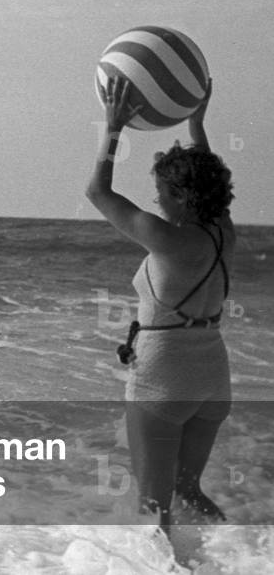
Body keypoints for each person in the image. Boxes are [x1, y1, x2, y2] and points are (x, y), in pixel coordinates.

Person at [86, 77, 234, 534]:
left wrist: (113, 128)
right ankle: (240, 559)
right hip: (212, 376)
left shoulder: (166, 238)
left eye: (163, 193)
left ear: (182, 197)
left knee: (154, 506)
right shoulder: (224, 230)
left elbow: (98, 193)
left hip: (163, 377)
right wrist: (196, 123)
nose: (156, 199)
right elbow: (206, 174)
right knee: (189, 490)